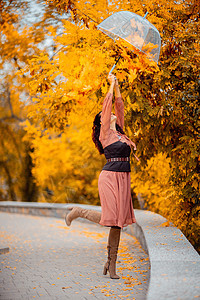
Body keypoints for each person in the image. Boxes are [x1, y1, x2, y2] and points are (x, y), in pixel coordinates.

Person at [65, 73, 137, 279]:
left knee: (117, 223)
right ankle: (79, 212)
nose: (111, 113)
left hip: (123, 178)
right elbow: (108, 106)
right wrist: (109, 84)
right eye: (105, 114)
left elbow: (119, 106)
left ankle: (110, 264)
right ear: (102, 120)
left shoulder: (121, 133)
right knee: (111, 218)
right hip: (109, 177)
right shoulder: (105, 132)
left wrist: (117, 86)